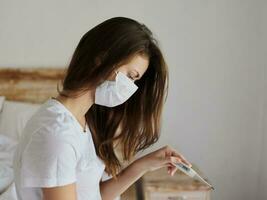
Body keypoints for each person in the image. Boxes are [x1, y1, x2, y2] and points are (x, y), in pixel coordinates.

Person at [13, 16, 192, 200]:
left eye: (135, 80)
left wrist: (144, 164)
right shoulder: (57, 133)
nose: (130, 88)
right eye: (130, 76)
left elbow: (93, 194)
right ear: (101, 59)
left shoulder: (80, 121)